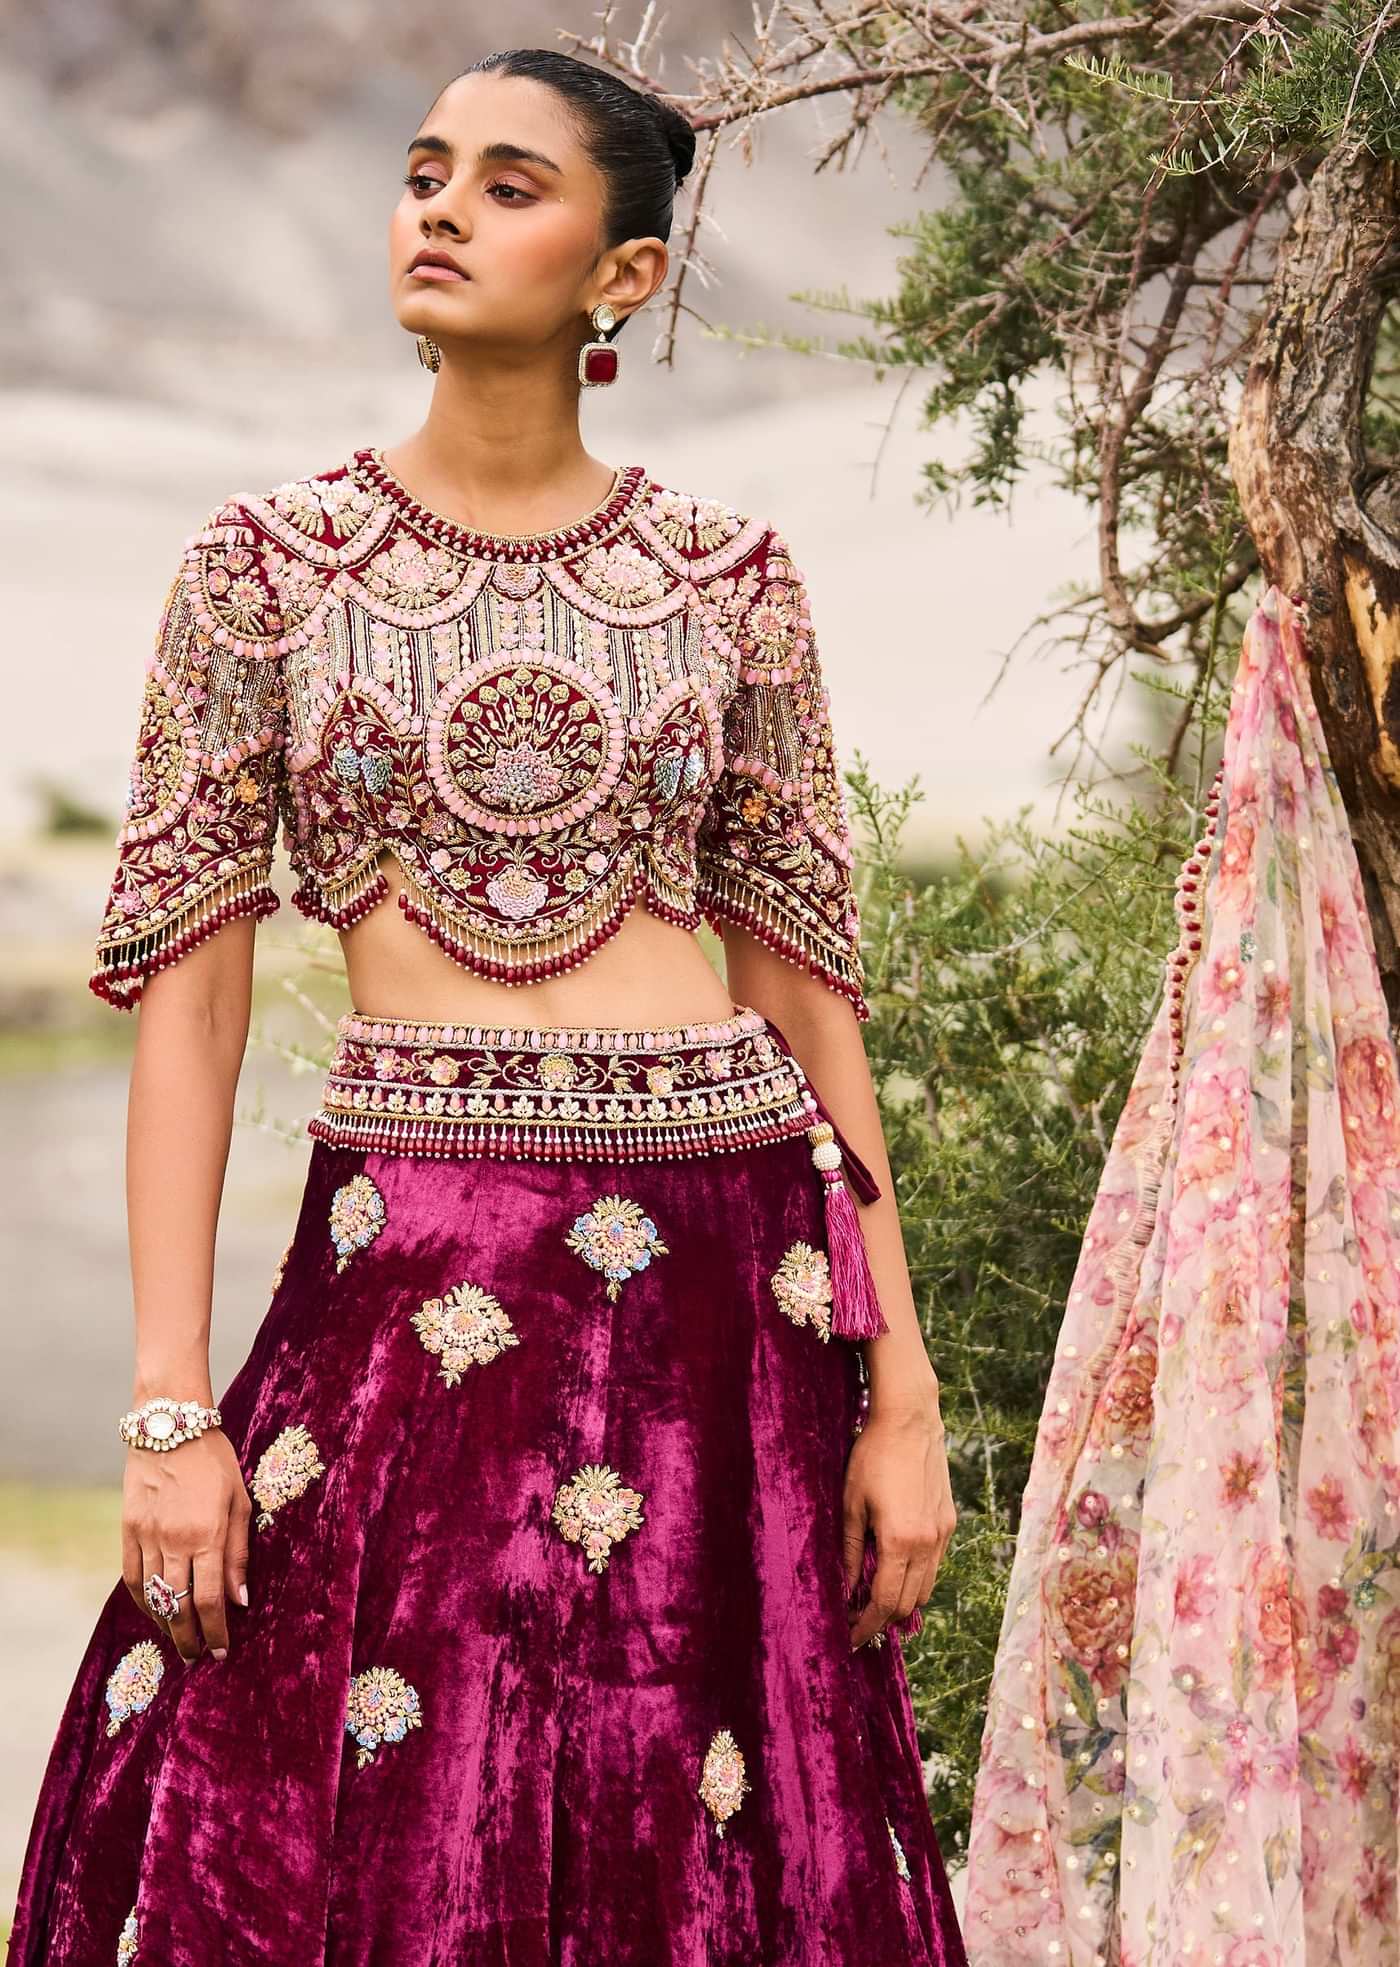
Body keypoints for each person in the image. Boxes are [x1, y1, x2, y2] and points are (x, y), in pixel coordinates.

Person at [7, 47, 967, 1967]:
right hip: (411, 1272)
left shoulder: (731, 580)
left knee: (689, 1801)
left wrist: (907, 1390)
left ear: (623, 277)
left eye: (509, 185)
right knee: (326, 1804)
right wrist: (170, 1404)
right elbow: (188, 1019)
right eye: (424, 171)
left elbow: (797, 988)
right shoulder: (263, 573)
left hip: (727, 1277)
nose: (440, 209)